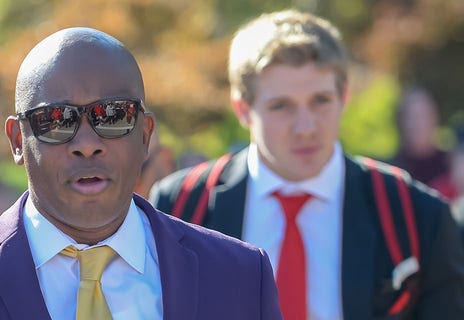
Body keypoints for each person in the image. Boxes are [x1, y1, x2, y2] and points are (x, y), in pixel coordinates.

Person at [0, 27, 282, 319]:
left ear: (145, 134)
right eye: (57, 119)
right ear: (18, 140)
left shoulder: (241, 277)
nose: (87, 142)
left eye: (112, 115)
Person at [150, 9, 464, 320]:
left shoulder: (415, 212)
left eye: (320, 101)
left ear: (344, 97)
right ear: (243, 109)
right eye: (281, 106)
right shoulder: (181, 205)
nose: (305, 127)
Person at [390, 86, 450, 185]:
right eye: (411, 116)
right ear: (401, 121)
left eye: (423, 115)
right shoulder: (392, 172)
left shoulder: (452, 166)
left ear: (435, 118)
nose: (418, 124)